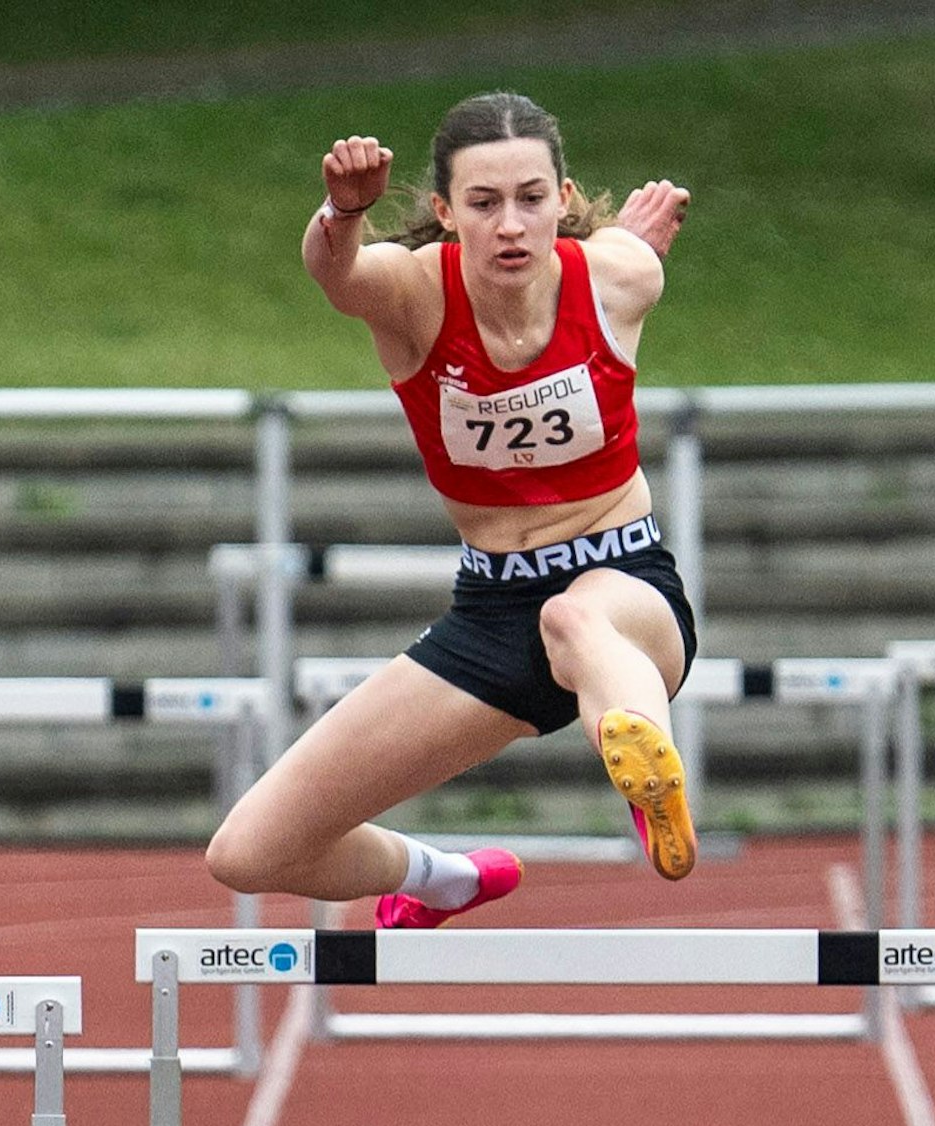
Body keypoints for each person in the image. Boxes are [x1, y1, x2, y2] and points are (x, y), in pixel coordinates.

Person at [205, 91, 700, 928]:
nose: (510, 226)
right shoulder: (415, 294)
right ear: (445, 212)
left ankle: (650, 778)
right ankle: (446, 879)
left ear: (563, 200)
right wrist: (344, 212)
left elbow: (622, 247)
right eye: (484, 203)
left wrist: (629, 240)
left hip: (624, 587)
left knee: (574, 621)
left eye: (531, 199)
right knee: (248, 853)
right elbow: (335, 273)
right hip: (491, 613)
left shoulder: (621, 278)